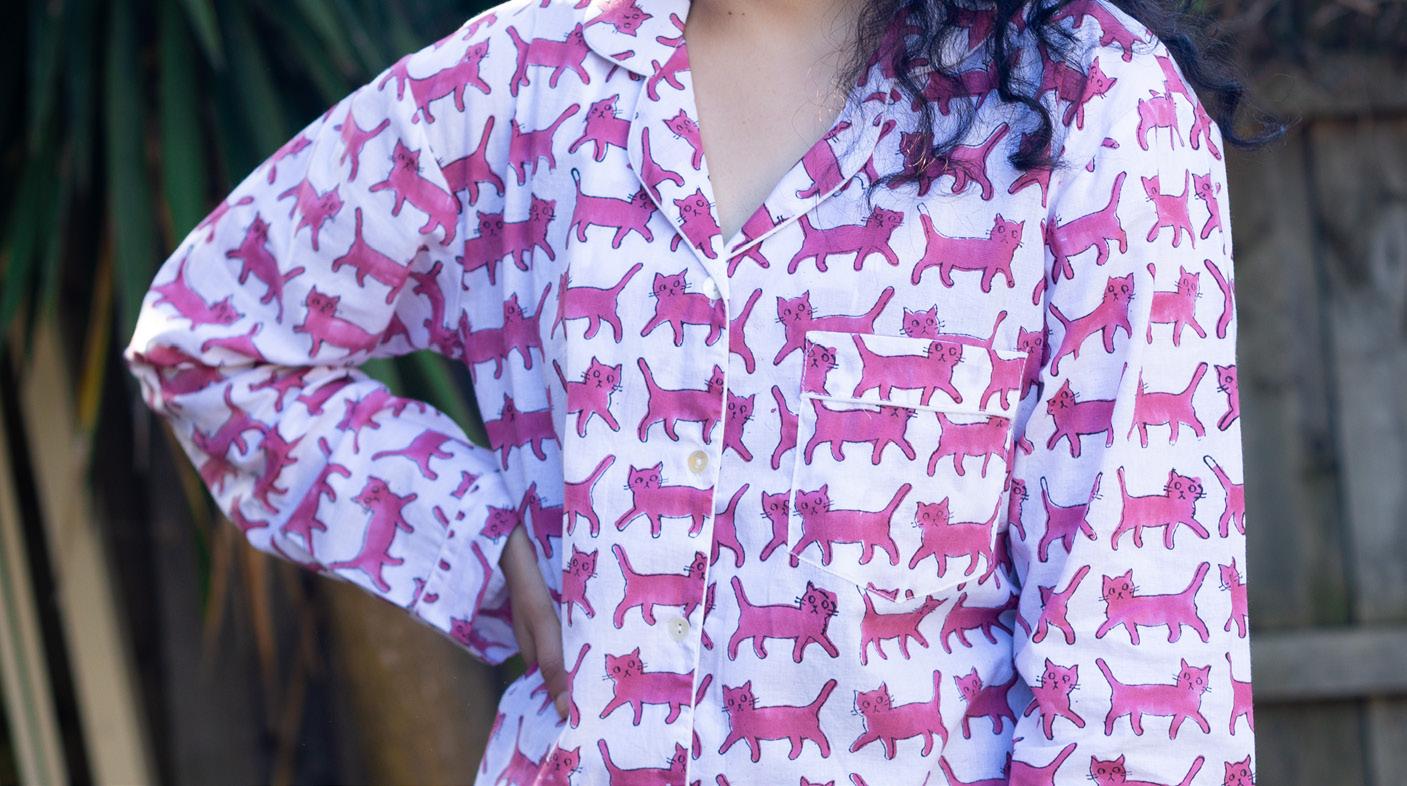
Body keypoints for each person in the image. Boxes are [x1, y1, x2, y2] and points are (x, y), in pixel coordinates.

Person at [123, 0, 1277, 782]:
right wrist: (481, 539)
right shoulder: (523, 86)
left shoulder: (1092, 108)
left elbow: (1145, 687)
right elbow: (210, 337)